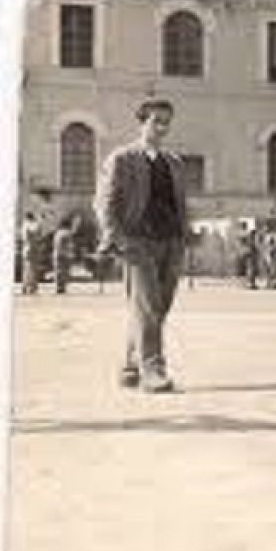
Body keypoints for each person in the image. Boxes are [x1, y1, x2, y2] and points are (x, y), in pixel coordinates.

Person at [93, 97, 188, 393]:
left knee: (158, 308)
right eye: (156, 121)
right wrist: (117, 238)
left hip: (171, 241)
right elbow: (104, 202)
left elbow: (179, 203)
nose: (162, 128)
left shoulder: (174, 163)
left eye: (166, 122)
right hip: (137, 243)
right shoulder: (122, 159)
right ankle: (153, 371)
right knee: (148, 307)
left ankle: (130, 367)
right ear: (142, 123)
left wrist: (184, 235)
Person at [20, 212, 43, 295]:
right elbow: (35, 231)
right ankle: (31, 287)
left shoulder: (25, 225)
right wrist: (40, 221)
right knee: (32, 269)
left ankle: (25, 286)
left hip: (27, 249)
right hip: (31, 249)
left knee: (27, 269)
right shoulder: (28, 225)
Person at [51, 216, 76, 294]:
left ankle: (58, 286)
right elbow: (70, 245)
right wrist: (71, 254)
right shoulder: (67, 233)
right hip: (65, 254)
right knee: (64, 271)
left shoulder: (58, 233)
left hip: (56, 253)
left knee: (58, 271)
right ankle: (62, 287)